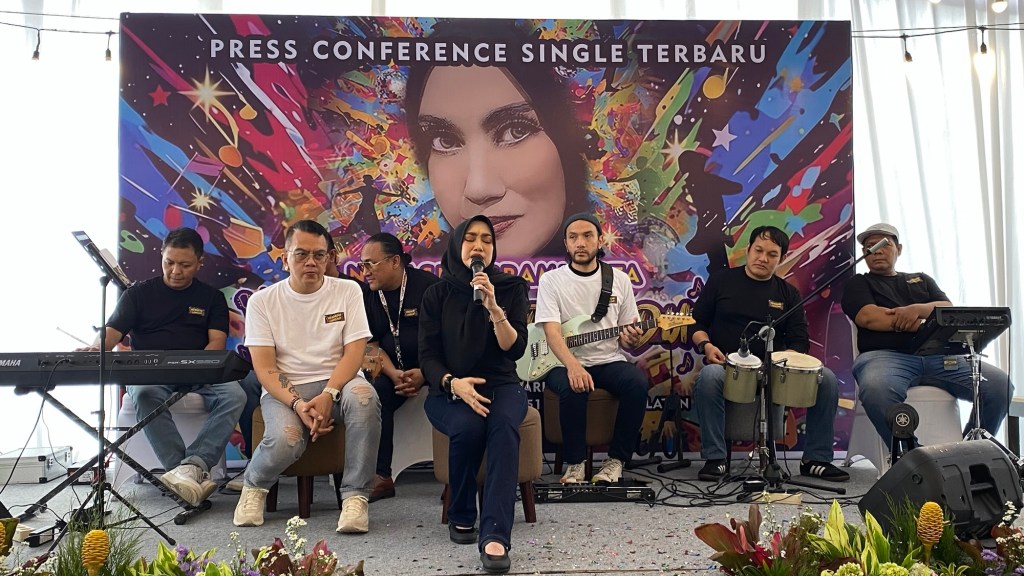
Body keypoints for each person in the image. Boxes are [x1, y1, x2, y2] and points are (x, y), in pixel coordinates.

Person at [233, 219, 381, 533]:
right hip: (286, 389)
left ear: (328, 258)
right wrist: (299, 405)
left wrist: (329, 393)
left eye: (319, 255)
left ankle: (355, 498)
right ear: (285, 258)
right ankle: (254, 486)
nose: (311, 262)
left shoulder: (348, 291)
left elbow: (354, 353)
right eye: (301, 254)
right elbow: (265, 368)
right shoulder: (263, 302)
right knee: (287, 440)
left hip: (339, 383)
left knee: (364, 398)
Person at [83, 227, 246, 507]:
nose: (175, 271)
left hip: (201, 372)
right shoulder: (137, 294)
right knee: (144, 393)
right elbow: (112, 332)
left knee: (235, 395)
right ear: (161, 256)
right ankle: (180, 473)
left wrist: (198, 366)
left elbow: (216, 343)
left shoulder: (212, 298)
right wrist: (95, 348)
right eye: (169, 262)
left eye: (185, 265)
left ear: (199, 263)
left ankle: (194, 465)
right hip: (151, 373)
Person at [404, 21, 590, 259]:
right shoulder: (427, 278)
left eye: (515, 131)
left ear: (564, 144)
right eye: (445, 141)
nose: (478, 188)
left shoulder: (612, 276)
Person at [690, 225, 848, 482]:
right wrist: (707, 346)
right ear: (748, 250)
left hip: (775, 371)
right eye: (758, 250)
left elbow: (800, 341)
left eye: (771, 254)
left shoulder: (788, 293)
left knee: (826, 378)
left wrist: (781, 360)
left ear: (782, 258)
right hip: (728, 367)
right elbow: (696, 324)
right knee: (709, 377)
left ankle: (816, 459)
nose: (763, 258)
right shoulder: (721, 281)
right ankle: (715, 459)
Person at [419, 215, 529, 574]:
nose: (479, 246)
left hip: (502, 385)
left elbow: (515, 349)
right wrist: (454, 384)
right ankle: (462, 512)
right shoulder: (436, 294)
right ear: (457, 245)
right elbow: (427, 356)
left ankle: (495, 535)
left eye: (486, 239)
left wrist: (494, 308)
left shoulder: (510, 288)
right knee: (467, 426)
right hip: (449, 388)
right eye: (470, 238)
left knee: (503, 427)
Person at [841, 223, 1012, 445]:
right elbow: (871, 318)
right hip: (886, 357)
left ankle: (972, 450)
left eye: (884, 244)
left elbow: (947, 310)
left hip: (939, 356)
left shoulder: (921, 279)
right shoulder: (858, 282)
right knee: (876, 389)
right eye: (870, 246)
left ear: (899, 249)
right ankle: (912, 455)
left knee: (999, 385)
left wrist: (915, 310)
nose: (877, 251)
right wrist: (928, 323)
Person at [533, 213, 648, 484]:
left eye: (587, 236)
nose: (580, 243)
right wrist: (573, 366)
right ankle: (575, 464)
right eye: (573, 237)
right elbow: (551, 331)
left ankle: (616, 461)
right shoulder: (552, 280)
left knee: (637, 383)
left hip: (608, 359)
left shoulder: (619, 280)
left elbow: (626, 338)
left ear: (600, 240)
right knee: (573, 386)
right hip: (561, 361)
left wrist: (632, 339)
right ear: (566, 243)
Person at [360, 232, 440, 501]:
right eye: (362, 265)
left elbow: (450, 341)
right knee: (375, 392)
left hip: (434, 368)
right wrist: (394, 374)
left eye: (371, 264)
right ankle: (382, 476)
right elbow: (369, 346)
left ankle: (456, 475)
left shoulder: (429, 288)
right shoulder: (370, 296)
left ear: (395, 261)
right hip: (393, 372)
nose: (365, 272)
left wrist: (425, 373)